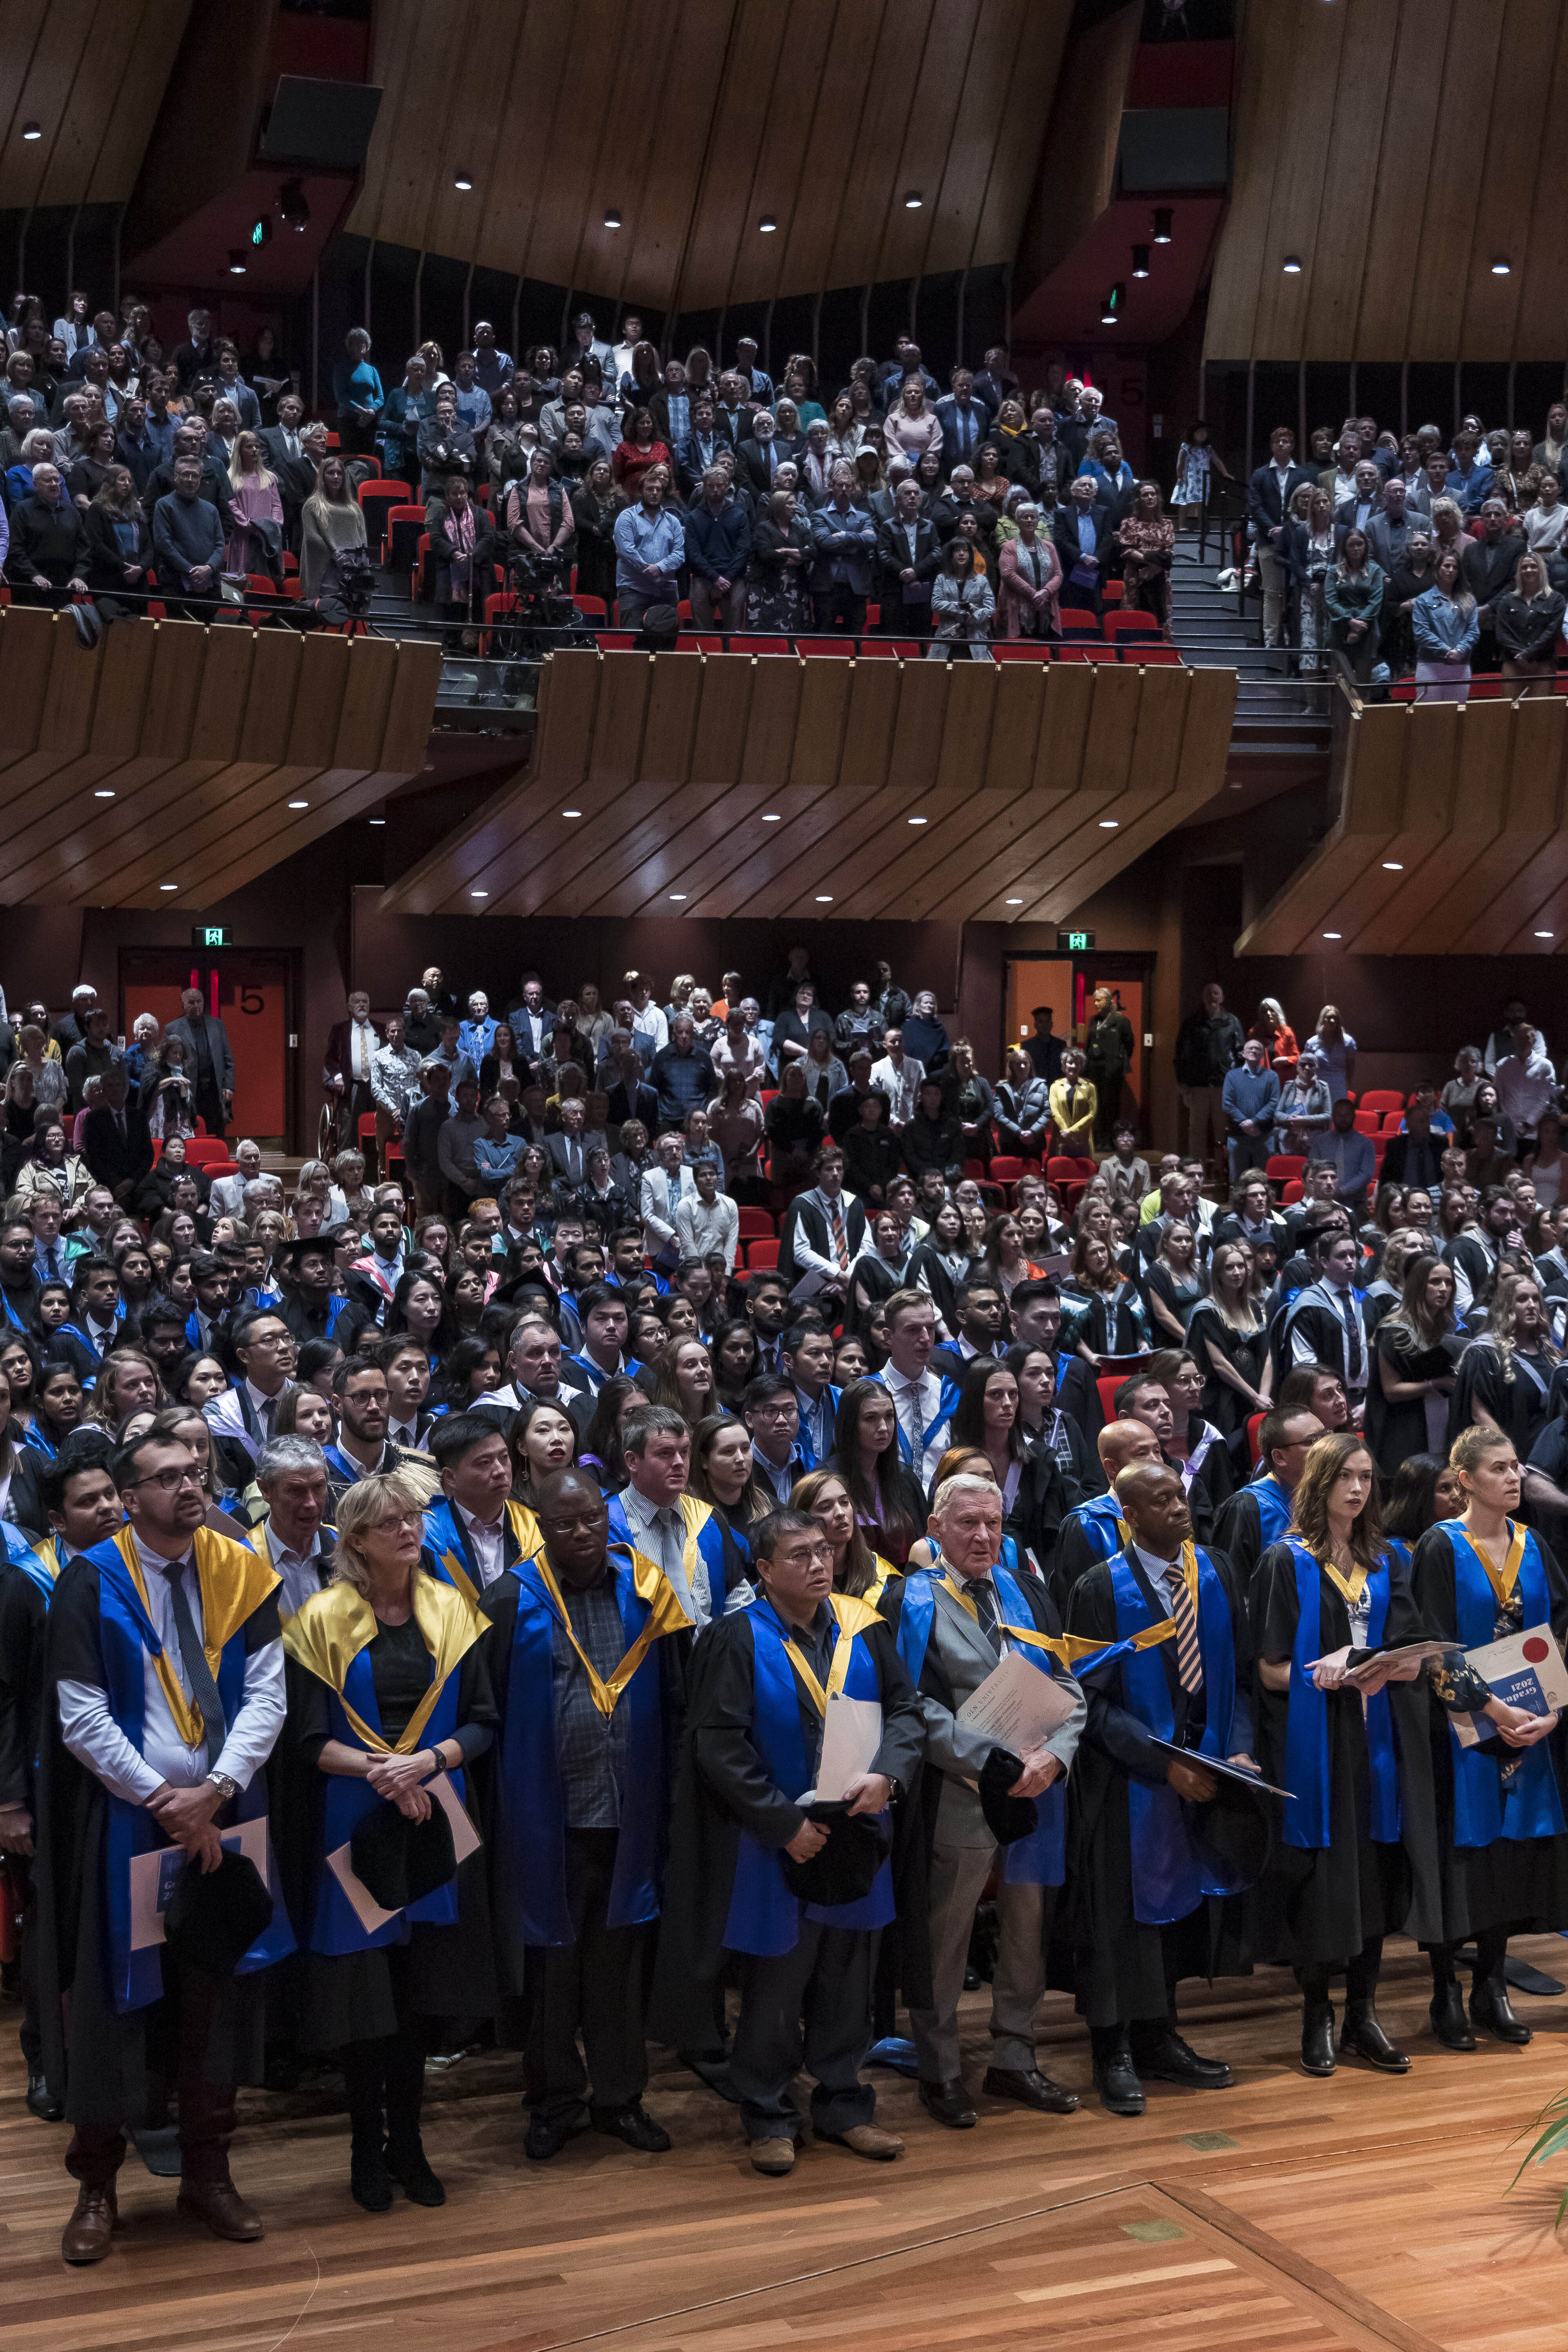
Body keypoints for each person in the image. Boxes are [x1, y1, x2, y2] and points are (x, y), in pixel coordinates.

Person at [35, 1428, 295, 2263]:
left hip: (224, 1811)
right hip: (128, 1821)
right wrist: (162, 1799)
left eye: (195, 1473)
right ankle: (97, 2185)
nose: (187, 1486)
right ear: (131, 1495)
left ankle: (208, 2174)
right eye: (166, 1477)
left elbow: (267, 1696)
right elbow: (80, 1714)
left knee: (214, 1996)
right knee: (119, 2006)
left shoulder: (241, 1571)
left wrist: (213, 1793)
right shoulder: (91, 1580)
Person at [650, 1506, 924, 2174]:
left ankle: (843, 2104)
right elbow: (718, 1747)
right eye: (799, 1555)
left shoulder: (865, 1628)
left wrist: (890, 1774)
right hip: (776, 1843)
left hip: (858, 1832)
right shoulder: (736, 1637)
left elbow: (908, 1712)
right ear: (766, 1571)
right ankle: (769, 2112)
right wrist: (785, 1825)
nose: (819, 1563)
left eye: (826, 1550)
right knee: (778, 1983)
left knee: (846, 1978)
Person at [281, 1471, 495, 2211]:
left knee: (419, 1998)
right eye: (390, 1523)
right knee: (365, 2000)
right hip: (359, 1815)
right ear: (357, 1542)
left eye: (414, 1518)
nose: (410, 1531)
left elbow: (483, 1724)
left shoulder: (453, 1608)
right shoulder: (320, 1618)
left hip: (434, 1809)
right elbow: (307, 1741)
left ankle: (409, 2143)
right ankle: (363, 2150)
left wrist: (426, 1764)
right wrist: (384, 1771)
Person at [488, 1466, 688, 2160]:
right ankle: (553, 2101)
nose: (582, 1534)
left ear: (610, 1523)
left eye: (593, 1522)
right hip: (550, 1817)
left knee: (618, 1968)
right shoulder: (512, 1600)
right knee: (552, 1969)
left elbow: (675, 1699)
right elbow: (488, 1711)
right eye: (565, 1524)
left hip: (631, 1814)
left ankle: (619, 2098)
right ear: (540, 1529)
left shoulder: (645, 1590)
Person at [880, 1473, 1085, 2127]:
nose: (982, 1536)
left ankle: (1014, 2058)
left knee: (1026, 1930)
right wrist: (992, 1763)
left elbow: (1069, 1687)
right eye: (967, 1522)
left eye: (993, 1523)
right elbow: (911, 1707)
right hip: (961, 1791)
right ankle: (939, 2068)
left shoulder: (1026, 1591)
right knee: (946, 1938)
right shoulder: (907, 1599)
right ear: (936, 1527)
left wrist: (1057, 1755)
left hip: (1037, 1788)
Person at [1065, 1460, 1258, 2114]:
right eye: (1162, 1500)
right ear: (1131, 1516)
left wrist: (1237, 1748)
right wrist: (1161, 1762)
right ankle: (1112, 2048)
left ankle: (1161, 2035)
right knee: (1124, 1917)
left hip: (1206, 1765)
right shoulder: (1099, 1587)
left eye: (1181, 1495)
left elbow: (1242, 1673)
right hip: (1130, 1778)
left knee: (1178, 1911)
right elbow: (1086, 1701)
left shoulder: (1218, 1570)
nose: (1180, 1507)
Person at [1250, 1432, 1433, 2076]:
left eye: (1366, 1479)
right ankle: (1316, 2014)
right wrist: (1319, 1674)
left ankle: (1364, 2013)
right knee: (1325, 1883)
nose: (1358, 1490)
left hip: (1379, 1742)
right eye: (1345, 1478)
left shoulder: (1389, 1560)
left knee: (1377, 1877)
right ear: (1319, 1484)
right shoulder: (1286, 1560)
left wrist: (1391, 1667)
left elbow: (1412, 1654)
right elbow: (1270, 1669)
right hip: (1318, 1742)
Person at [1413, 1424, 1568, 2048]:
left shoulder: (1534, 1544)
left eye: (1517, 1469)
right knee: (1464, 1860)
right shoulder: (1440, 1546)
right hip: (1461, 1730)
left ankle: (1492, 1986)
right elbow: (1431, 1649)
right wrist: (1497, 1711)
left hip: (1532, 1728)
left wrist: (1554, 1711)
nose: (1514, 1478)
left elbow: (1559, 1634)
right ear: (1465, 1481)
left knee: (1507, 1861)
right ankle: (1445, 1990)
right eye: (1499, 1469)